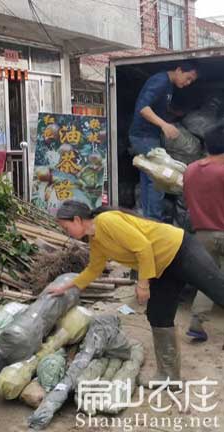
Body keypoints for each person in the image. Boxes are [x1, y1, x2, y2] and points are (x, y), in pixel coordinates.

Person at [47, 200, 224, 385]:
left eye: (66, 227)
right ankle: (169, 376)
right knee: (158, 315)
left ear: (77, 220)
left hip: (180, 249)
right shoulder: (96, 241)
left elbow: (143, 247)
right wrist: (65, 287)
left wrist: (143, 284)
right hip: (161, 267)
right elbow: (94, 269)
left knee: (219, 292)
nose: (66, 232)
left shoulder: (107, 221)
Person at [129, 62, 198, 220]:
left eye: (191, 82)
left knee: (149, 178)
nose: (187, 83)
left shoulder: (169, 85)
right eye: (187, 78)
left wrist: (176, 113)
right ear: (179, 70)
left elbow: (158, 106)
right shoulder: (159, 81)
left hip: (149, 136)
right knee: (157, 179)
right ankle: (154, 220)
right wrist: (164, 125)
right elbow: (144, 108)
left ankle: (148, 218)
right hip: (143, 136)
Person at [182, 126, 224, 342]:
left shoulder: (189, 170)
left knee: (209, 279)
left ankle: (197, 324)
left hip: (203, 234)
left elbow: (186, 200)